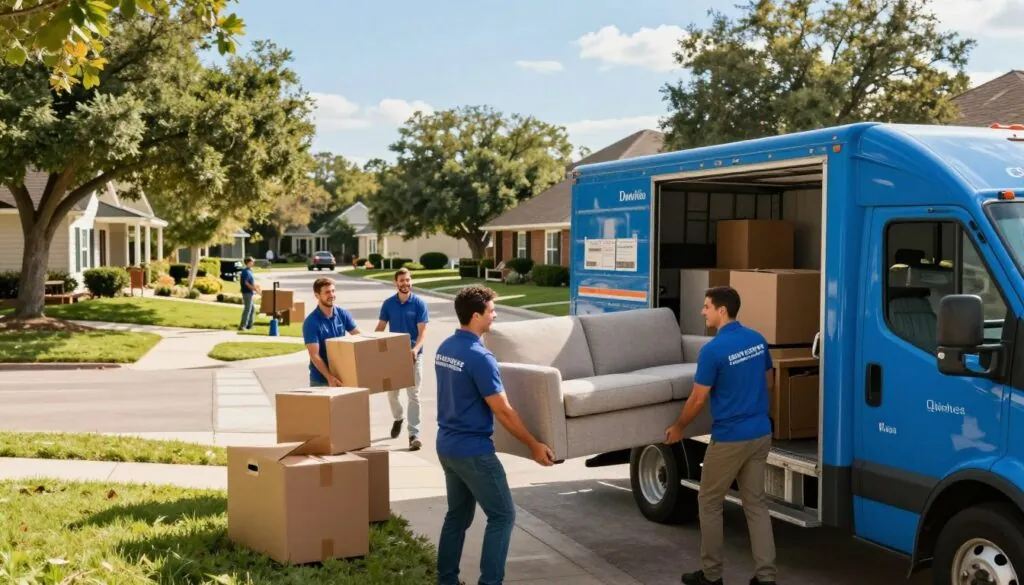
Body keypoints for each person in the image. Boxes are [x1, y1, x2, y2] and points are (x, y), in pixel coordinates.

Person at [435, 285, 555, 585]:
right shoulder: (480, 357)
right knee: (502, 516)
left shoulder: (445, 348)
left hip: (447, 445)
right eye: (491, 310)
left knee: (457, 517)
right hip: (473, 451)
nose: (495, 315)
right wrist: (534, 445)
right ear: (476, 316)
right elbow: (503, 411)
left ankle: (446, 580)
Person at [664, 286, 777, 585]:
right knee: (756, 505)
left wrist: (678, 428)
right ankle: (766, 578)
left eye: (706, 306)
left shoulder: (712, 350)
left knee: (710, 501)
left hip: (730, 437)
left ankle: (711, 575)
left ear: (722, 310)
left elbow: (698, 399)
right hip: (760, 432)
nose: (703, 312)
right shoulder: (757, 340)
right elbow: (770, 382)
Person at [375, 267, 428, 451]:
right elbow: (380, 328)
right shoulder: (388, 304)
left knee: (414, 395)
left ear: (410, 281)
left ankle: (414, 434)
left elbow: (423, 333)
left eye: (407, 280)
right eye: (401, 281)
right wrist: (370, 346)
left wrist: (415, 349)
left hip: (414, 356)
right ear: (395, 283)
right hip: (393, 356)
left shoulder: (419, 304)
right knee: (392, 393)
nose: (405, 284)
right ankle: (398, 417)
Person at [302, 277, 361, 387]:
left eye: (333, 291)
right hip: (321, 380)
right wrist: (329, 377)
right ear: (317, 296)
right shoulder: (311, 322)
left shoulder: (342, 314)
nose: (332, 295)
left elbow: (358, 335)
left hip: (341, 375)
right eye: (327, 292)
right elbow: (314, 355)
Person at [238, 256, 260, 331]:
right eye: (252, 262)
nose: (253, 263)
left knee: (252, 308)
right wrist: (253, 288)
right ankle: (242, 326)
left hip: (250, 292)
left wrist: (256, 287)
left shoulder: (250, 271)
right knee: (247, 309)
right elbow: (246, 283)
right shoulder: (245, 271)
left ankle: (249, 326)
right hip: (247, 292)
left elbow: (251, 282)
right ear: (248, 263)